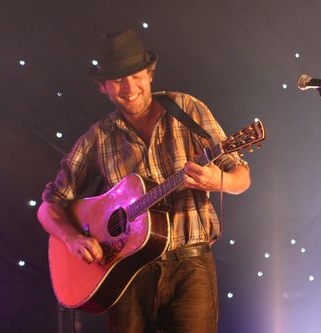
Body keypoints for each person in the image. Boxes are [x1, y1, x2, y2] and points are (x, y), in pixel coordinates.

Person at [37, 29, 251, 333]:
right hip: (127, 275)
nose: (129, 87)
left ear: (150, 74)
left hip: (191, 266)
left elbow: (241, 178)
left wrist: (218, 179)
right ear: (103, 88)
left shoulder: (187, 109)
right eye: (118, 80)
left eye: (136, 75)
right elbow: (48, 207)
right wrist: (73, 239)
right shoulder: (98, 137)